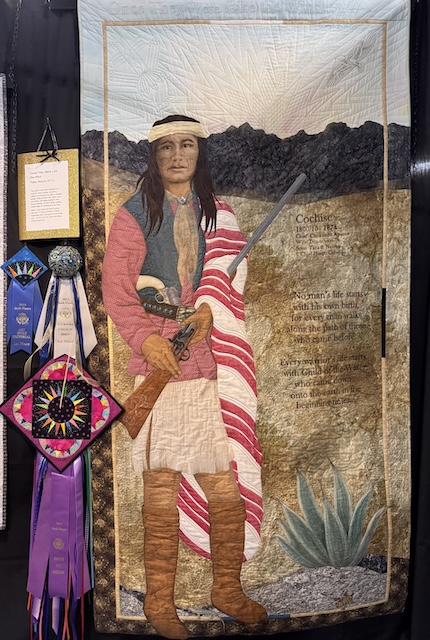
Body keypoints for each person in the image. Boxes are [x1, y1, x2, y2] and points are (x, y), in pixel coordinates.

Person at [102, 115, 266, 639]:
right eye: (167, 147)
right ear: (154, 156)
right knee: (160, 485)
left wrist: (210, 311)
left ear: (200, 152)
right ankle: (158, 603)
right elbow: (118, 291)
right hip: (160, 363)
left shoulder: (217, 215)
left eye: (188, 145)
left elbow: (226, 282)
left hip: (204, 365)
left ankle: (226, 589)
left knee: (222, 484)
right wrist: (146, 340)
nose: (177, 156)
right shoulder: (133, 215)